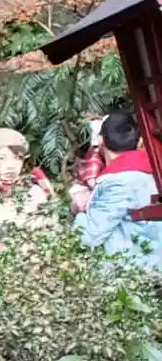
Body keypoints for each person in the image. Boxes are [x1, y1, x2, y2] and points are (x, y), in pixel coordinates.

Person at [72, 109, 162, 268]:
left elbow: (88, 237)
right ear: (138, 141)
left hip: (135, 272)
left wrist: (78, 208)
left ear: (100, 140)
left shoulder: (118, 181)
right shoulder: (154, 170)